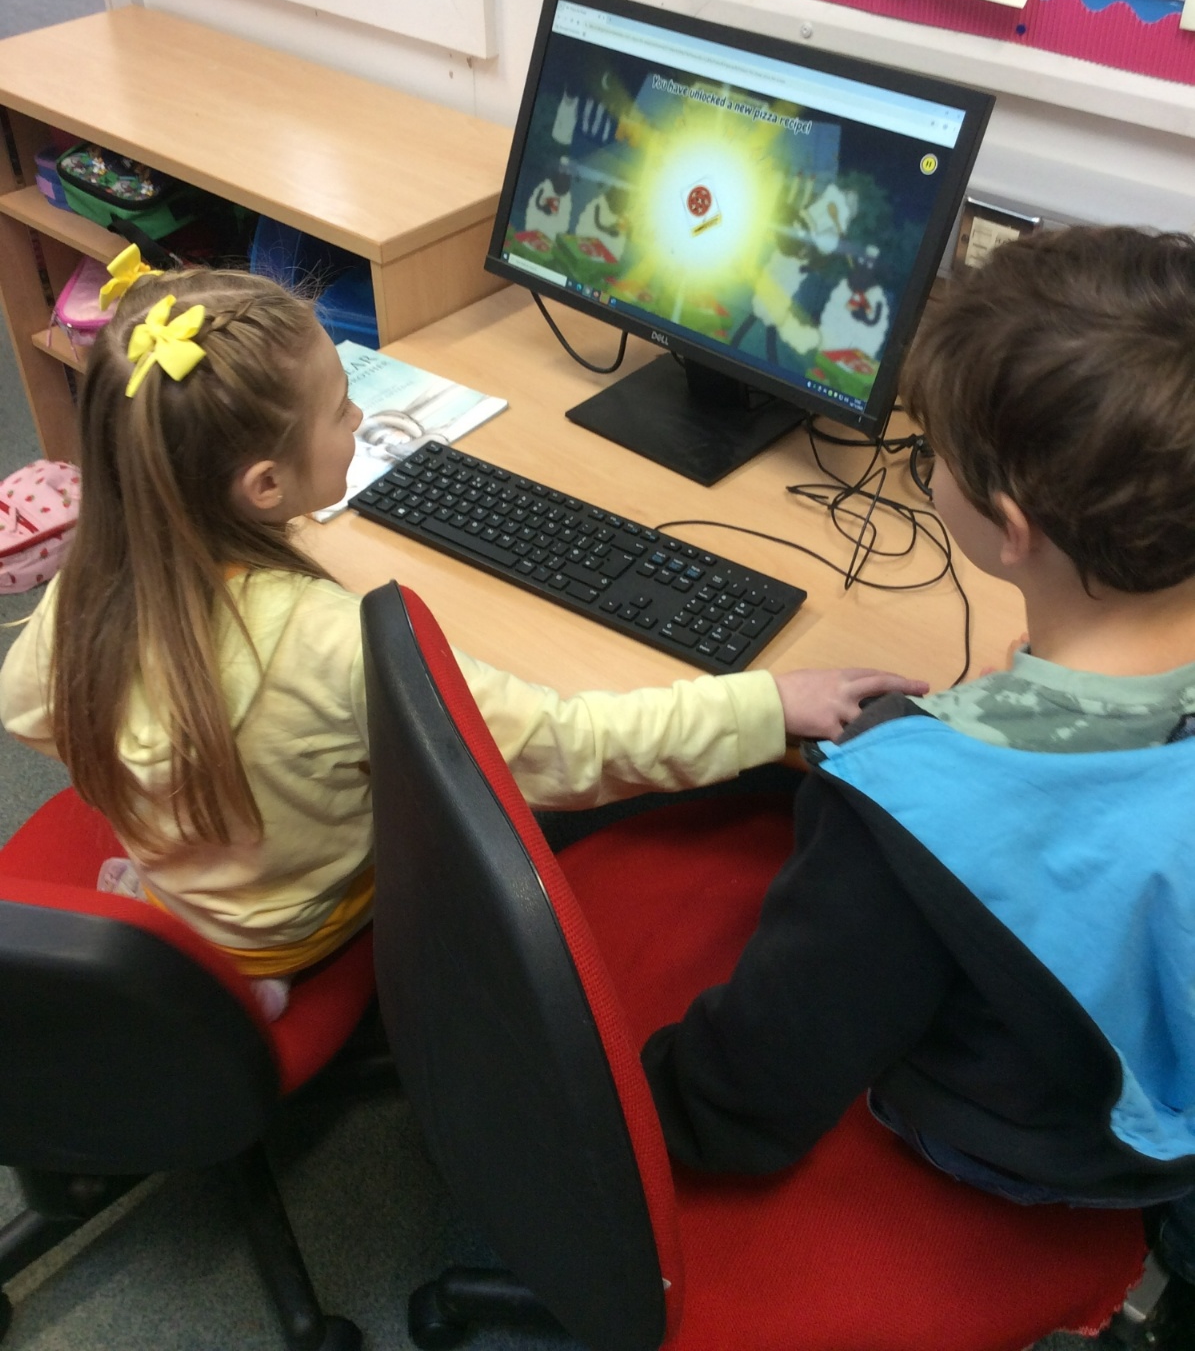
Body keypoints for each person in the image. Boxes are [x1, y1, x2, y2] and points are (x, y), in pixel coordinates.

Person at [0, 268, 924, 1021]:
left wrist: (186, 776)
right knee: (546, 790)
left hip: (187, 889)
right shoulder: (324, 640)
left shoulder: (93, 580)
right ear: (265, 486)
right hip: (298, 925)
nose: (357, 420)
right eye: (339, 409)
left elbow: (29, 710)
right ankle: (268, 989)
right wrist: (770, 702)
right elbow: (564, 747)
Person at [639, 226, 1195, 1343]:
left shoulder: (906, 799)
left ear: (1009, 528)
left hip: (1027, 1149)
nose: (924, 467)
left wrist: (641, 1103)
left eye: (930, 452)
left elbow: (751, 1098)